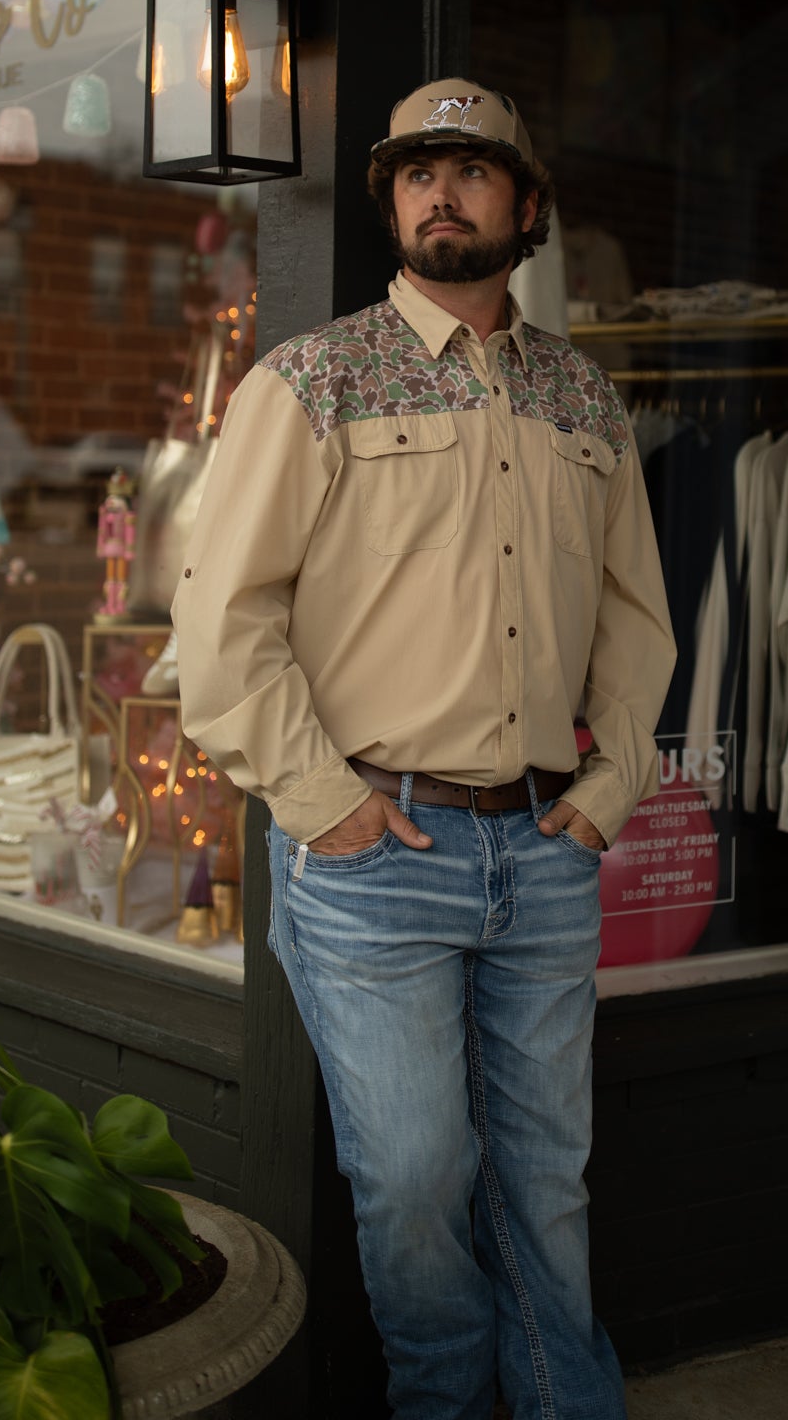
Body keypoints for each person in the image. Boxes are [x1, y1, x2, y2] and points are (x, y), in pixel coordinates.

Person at [174, 77, 675, 1419]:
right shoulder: (313, 378)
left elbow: (636, 619)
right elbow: (222, 623)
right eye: (414, 172)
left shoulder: (582, 397)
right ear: (392, 201)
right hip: (376, 855)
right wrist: (319, 804)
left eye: (470, 169)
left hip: (545, 845)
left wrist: (609, 789)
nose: (438, 191)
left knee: (544, 1182)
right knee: (412, 1187)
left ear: (524, 205)